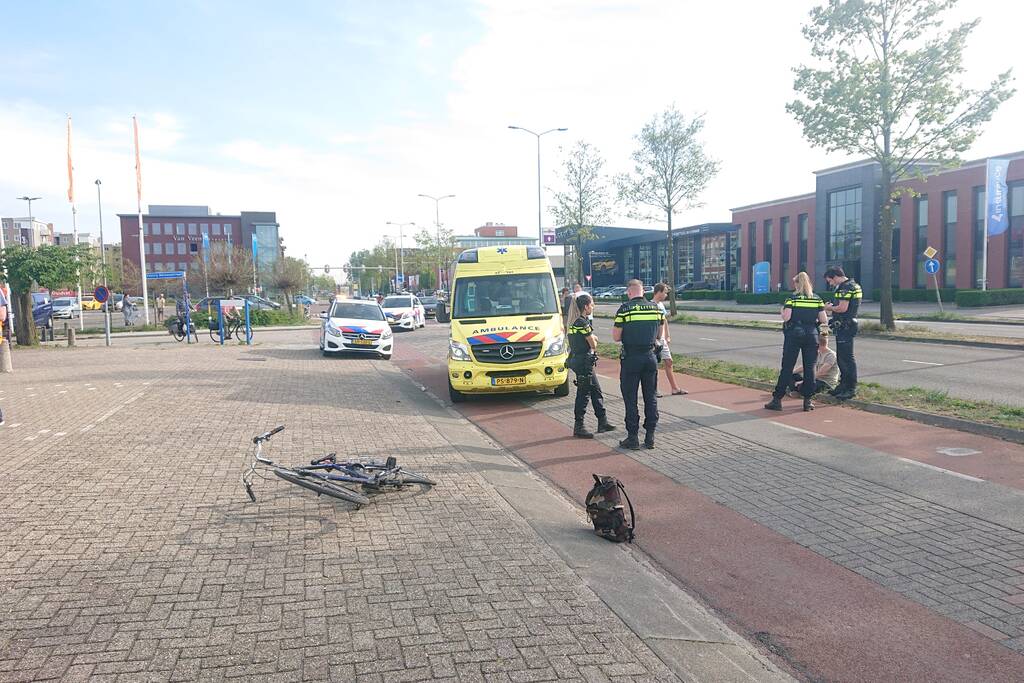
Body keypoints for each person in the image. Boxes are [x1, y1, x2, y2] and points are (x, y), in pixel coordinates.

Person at [764, 272, 828, 412]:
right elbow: (824, 320)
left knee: (787, 367)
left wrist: (782, 312)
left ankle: (777, 400)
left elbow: (787, 318)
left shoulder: (792, 298)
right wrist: (819, 332)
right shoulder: (817, 299)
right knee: (810, 368)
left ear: (797, 284)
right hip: (812, 335)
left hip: (794, 334)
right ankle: (808, 401)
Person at [612, 279, 663, 450]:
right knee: (651, 397)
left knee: (630, 398)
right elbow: (659, 335)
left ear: (629, 292)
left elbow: (616, 337)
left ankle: (633, 438)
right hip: (650, 357)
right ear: (643, 291)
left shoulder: (625, 309)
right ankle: (650, 437)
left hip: (631, 358)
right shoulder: (656, 308)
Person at [567, 294, 614, 439]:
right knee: (584, 393)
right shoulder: (582, 323)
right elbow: (593, 344)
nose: (593, 307)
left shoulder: (575, 322)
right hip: (583, 362)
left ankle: (602, 421)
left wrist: (592, 338)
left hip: (580, 360)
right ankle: (579, 426)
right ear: (586, 306)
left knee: (596, 390)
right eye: (592, 304)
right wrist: (594, 339)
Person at [823, 265, 862, 400]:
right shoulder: (854, 285)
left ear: (835, 277)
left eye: (830, 281)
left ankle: (850, 388)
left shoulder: (845, 288)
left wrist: (829, 307)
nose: (830, 284)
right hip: (848, 325)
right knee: (842, 357)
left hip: (845, 326)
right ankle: (843, 385)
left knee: (846, 358)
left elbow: (842, 308)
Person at [651, 283, 686, 397]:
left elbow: (664, 320)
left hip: (662, 339)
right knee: (654, 365)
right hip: (654, 340)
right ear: (659, 292)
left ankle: (674, 388)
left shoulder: (661, 305)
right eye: (665, 292)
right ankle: (654, 389)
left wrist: (667, 335)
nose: (666, 295)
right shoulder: (651, 305)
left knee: (669, 361)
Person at [788, 328, 839, 397]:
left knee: (807, 385)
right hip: (814, 379)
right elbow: (805, 366)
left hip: (825, 382)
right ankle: (797, 390)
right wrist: (791, 372)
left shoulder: (831, 355)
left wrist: (805, 381)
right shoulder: (817, 353)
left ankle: (798, 390)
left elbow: (821, 372)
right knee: (791, 376)